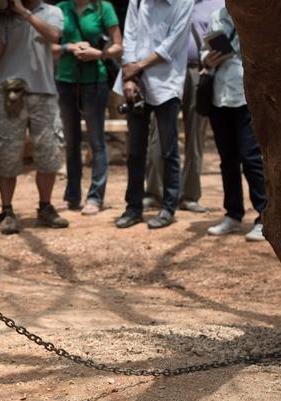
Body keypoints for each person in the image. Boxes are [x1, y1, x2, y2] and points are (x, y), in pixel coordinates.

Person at [0, 0, 68, 233]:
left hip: (43, 92)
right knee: (7, 153)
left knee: (48, 151)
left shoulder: (52, 12)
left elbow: (53, 35)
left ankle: (45, 207)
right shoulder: (4, 15)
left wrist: (22, 12)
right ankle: (7, 211)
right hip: (9, 92)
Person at [114, 0, 193, 229]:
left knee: (168, 150)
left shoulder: (183, 3)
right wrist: (129, 78)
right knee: (135, 150)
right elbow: (128, 37)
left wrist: (136, 67)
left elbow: (173, 44)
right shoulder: (137, 1)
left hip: (167, 84)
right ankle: (133, 208)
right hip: (136, 84)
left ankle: (168, 207)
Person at [143, 0, 222, 214]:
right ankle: (154, 192)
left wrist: (213, 65)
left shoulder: (218, 3)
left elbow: (224, 38)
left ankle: (190, 195)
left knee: (195, 135)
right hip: (165, 71)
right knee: (157, 133)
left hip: (198, 71)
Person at [201, 6, 266, 242]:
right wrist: (207, 58)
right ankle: (233, 214)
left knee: (250, 157)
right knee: (227, 159)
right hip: (219, 96)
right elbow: (203, 52)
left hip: (246, 96)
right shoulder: (215, 16)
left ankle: (264, 216)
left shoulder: (256, 14)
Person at [54, 0, 121, 216]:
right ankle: (72, 196)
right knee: (71, 141)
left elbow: (118, 46)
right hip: (66, 80)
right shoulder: (61, 9)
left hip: (95, 81)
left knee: (96, 141)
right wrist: (69, 47)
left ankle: (95, 197)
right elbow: (49, 46)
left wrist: (97, 54)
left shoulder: (103, 8)